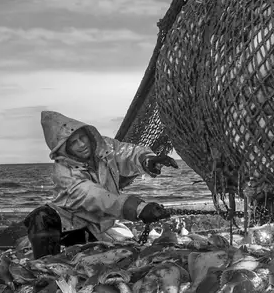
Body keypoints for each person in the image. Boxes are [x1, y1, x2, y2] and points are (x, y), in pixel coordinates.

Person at [23, 110, 179, 259]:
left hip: (102, 226)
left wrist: (147, 160)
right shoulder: (64, 174)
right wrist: (138, 208)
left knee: (125, 255)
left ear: (89, 135)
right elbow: (95, 196)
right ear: (64, 149)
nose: (81, 144)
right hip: (70, 226)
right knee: (41, 217)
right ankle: (45, 268)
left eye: (82, 137)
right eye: (73, 143)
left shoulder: (104, 146)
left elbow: (127, 153)